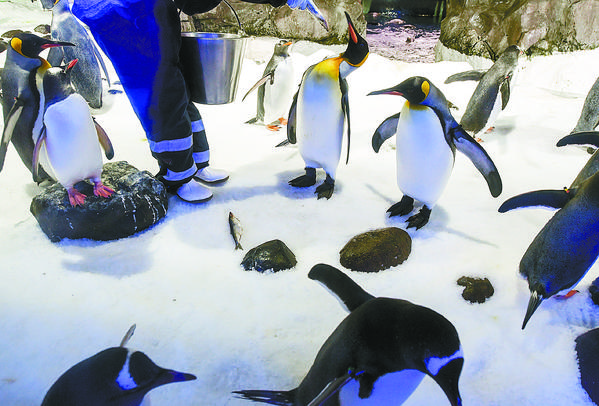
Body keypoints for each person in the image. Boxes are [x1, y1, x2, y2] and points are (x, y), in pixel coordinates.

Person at [70, 0, 326, 203]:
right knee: (160, 91)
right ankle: (177, 175)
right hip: (125, 15)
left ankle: (196, 164)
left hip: (143, 12)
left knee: (176, 84)